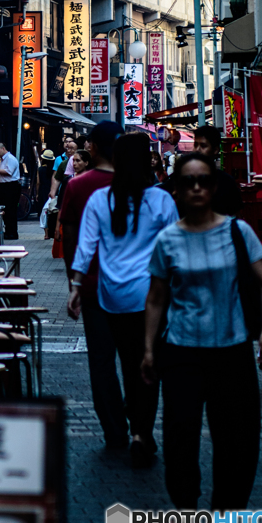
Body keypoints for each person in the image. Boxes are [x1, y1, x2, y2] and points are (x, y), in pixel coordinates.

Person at [142, 152, 262, 521]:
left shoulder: (237, 231)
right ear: (177, 191)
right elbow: (156, 298)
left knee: (237, 437)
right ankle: (184, 509)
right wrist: (149, 350)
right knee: (180, 434)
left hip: (231, 348)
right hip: (182, 349)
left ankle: (228, 509)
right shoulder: (168, 240)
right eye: (188, 182)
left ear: (213, 187)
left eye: (203, 181)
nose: (196, 187)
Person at [68, 132, 178, 466]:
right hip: (149, 298)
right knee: (145, 364)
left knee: (122, 362)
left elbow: (86, 246)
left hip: (111, 295)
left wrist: (75, 286)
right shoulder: (160, 201)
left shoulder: (101, 200)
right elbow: (174, 249)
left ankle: (127, 425)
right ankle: (141, 431)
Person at [57, 121, 128, 449]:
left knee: (101, 360)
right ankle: (140, 427)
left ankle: (114, 428)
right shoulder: (139, 186)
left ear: (93, 148)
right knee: (135, 357)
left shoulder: (79, 186)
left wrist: (75, 280)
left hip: (94, 285)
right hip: (137, 289)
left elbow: (70, 236)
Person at [192, 124, 243, 217]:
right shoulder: (182, 178)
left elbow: (236, 217)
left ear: (215, 150)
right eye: (195, 145)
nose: (197, 150)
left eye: (203, 146)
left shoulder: (226, 182)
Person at [0, 141, 21, 240]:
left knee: (10, 210)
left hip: (10, 187)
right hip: (4, 186)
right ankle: (8, 231)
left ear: (3, 149)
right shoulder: (2, 160)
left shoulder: (10, 159)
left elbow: (8, 172)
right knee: (6, 210)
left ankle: (12, 232)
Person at [50, 136, 78, 201]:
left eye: (70, 142)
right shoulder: (60, 160)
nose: (67, 144)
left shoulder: (81, 161)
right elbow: (55, 176)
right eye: (66, 142)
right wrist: (53, 191)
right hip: (62, 191)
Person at [37, 149, 56, 238]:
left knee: (44, 212)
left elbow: (38, 183)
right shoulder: (53, 170)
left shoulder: (40, 169)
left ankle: (46, 234)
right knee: (51, 211)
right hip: (52, 191)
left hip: (43, 191)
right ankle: (52, 231)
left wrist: (37, 193)